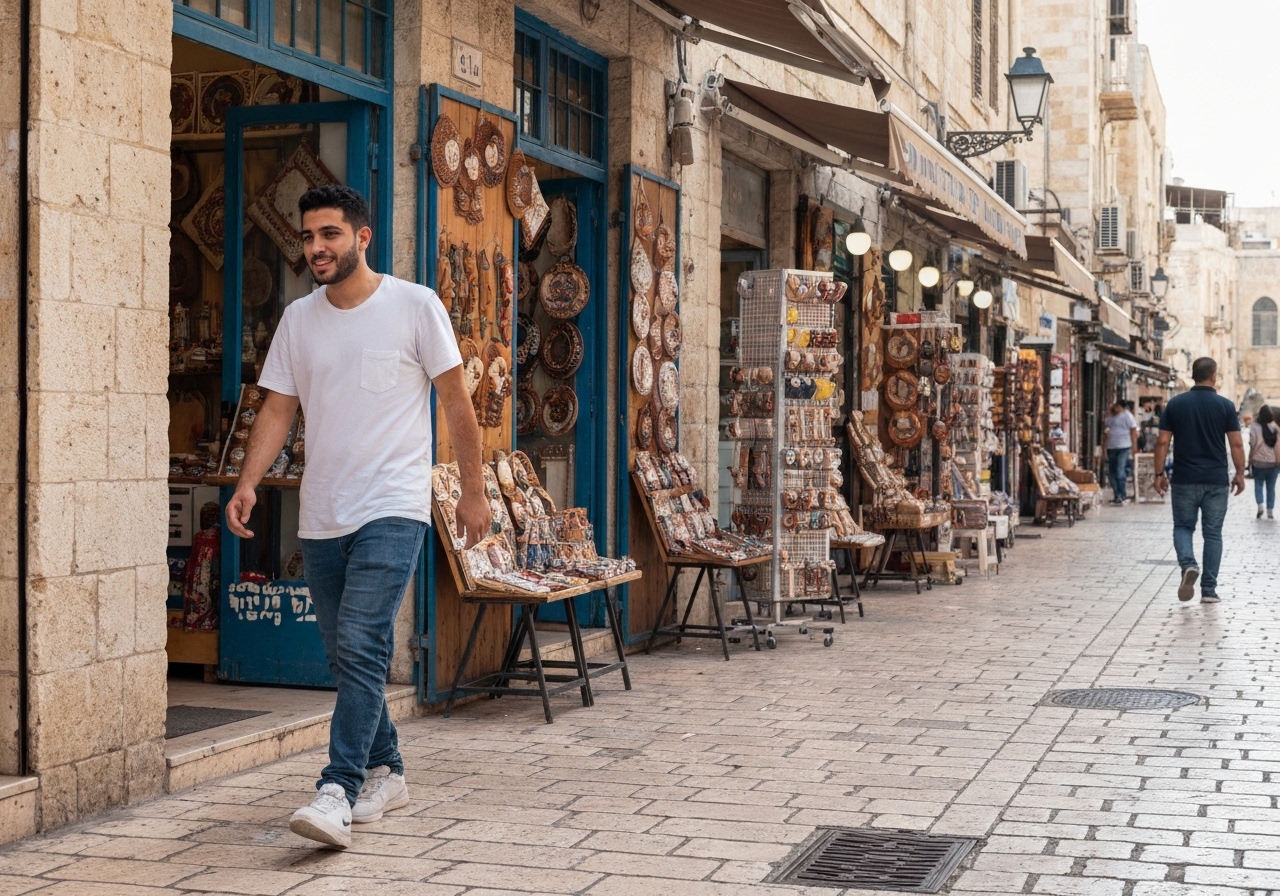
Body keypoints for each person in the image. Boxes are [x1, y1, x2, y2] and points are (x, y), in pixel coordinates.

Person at [226, 184, 492, 849]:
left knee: (363, 642)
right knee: (345, 656)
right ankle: (388, 769)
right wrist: (248, 482)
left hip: (394, 505)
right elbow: (278, 409)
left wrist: (474, 490)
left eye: (330, 235)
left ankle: (337, 788)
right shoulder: (298, 319)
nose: (316, 247)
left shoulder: (414, 307)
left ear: (362, 237)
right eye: (309, 236)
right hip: (322, 511)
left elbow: (458, 404)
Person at [1152, 357, 1245, 605]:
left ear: (1194, 375)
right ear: (1213, 375)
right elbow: (1236, 443)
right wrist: (1240, 473)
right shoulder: (1225, 406)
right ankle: (1209, 591)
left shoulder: (1176, 404)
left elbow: (1162, 442)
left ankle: (1188, 564)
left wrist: (1158, 474)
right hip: (1216, 479)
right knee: (1213, 534)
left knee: (1183, 526)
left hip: (1184, 478)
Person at [1102, 400, 1138, 504]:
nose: (1115, 408)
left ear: (1121, 407)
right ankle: (1117, 495)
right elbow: (1105, 428)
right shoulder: (1111, 417)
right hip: (1111, 447)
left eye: (1116, 406)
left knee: (1120, 470)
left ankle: (1122, 494)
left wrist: (1134, 447)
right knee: (1112, 472)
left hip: (1124, 446)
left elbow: (1133, 431)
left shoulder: (1128, 416)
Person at [1249, 405, 1279, 519]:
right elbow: (1278, 447)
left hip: (1258, 462)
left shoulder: (1254, 428)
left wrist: (1250, 458)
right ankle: (1270, 511)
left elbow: (1252, 444)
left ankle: (1260, 505)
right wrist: (1277, 461)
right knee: (1271, 487)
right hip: (1273, 463)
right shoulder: (1275, 429)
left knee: (1258, 484)